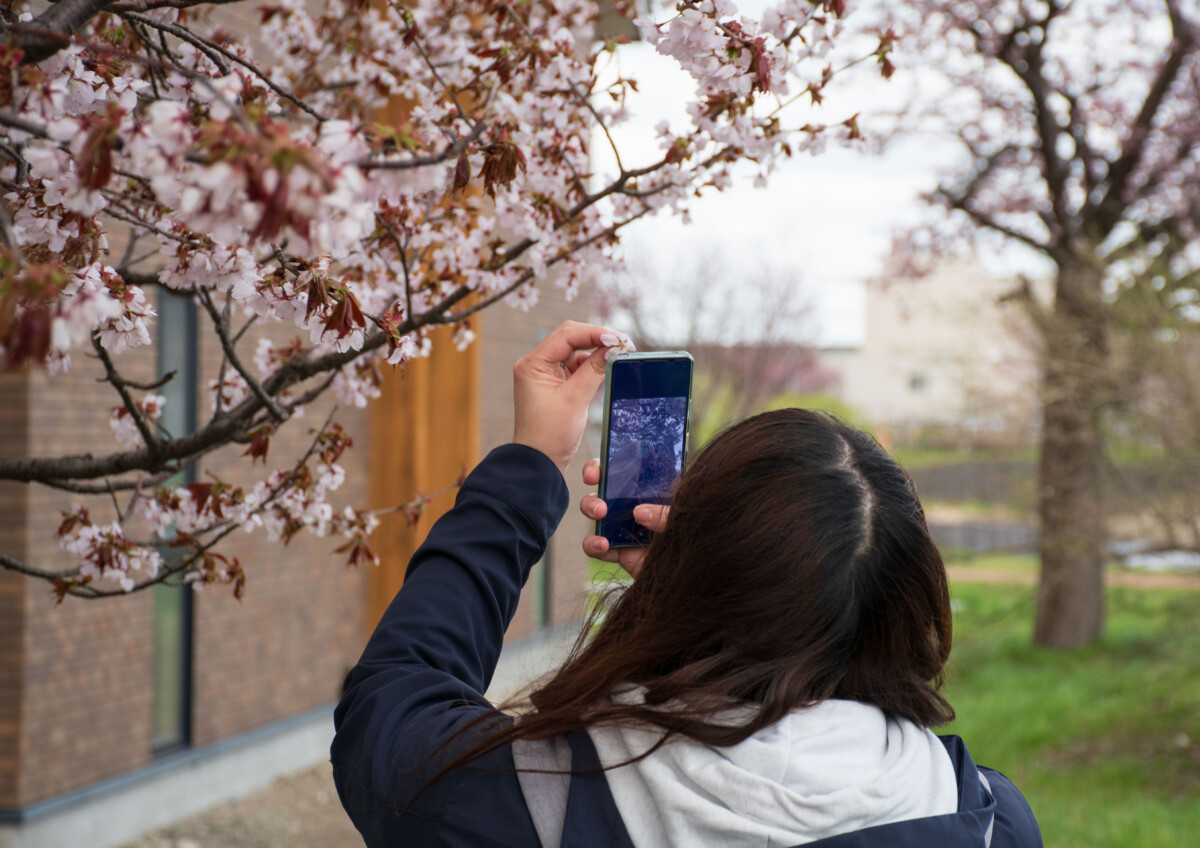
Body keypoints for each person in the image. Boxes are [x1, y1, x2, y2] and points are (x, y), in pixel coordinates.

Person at [331, 321, 1042, 847]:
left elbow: (390, 702)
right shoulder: (985, 818)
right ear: (907, 598)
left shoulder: (526, 802)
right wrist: (689, 604)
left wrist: (529, 462)